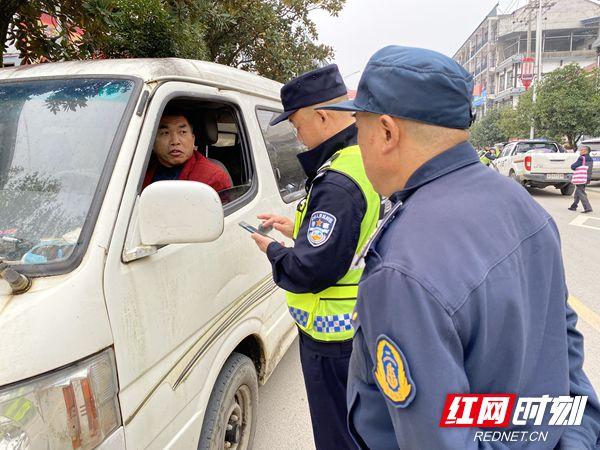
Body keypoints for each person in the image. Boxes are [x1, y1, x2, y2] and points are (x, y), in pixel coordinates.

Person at [321, 45, 600, 449]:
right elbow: (564, 348)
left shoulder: (402, 270)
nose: (358, 145)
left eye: (359, 129)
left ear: (385, 131)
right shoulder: (523, 205)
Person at [250, 65, 381, 450]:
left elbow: (311, 270)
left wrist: (273, 250)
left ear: (322, 115)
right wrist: (297, 229)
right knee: (360, 427)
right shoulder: (362, 160)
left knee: (338, 435)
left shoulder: (338, 180)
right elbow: (356, 233)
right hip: (359, 327)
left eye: (297, 123)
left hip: (333, 338)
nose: (296, 134)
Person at [142, 108, 232, 191]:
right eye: (165, 133)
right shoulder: (139, 170)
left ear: (193, 139)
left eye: (182, 132)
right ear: (152, 142)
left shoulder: (212, 178)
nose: (175, 141)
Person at [569, 145, 594, 213]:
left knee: (581, 192)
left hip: (581, 178)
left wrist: (573, 166)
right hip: (587, 177)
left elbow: (573, 166)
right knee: (578, 191)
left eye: (581, 150)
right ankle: (574, 206)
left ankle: (588, 208)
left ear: (585, 151)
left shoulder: (582, 158)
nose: (580, 151)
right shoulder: (590, 159)